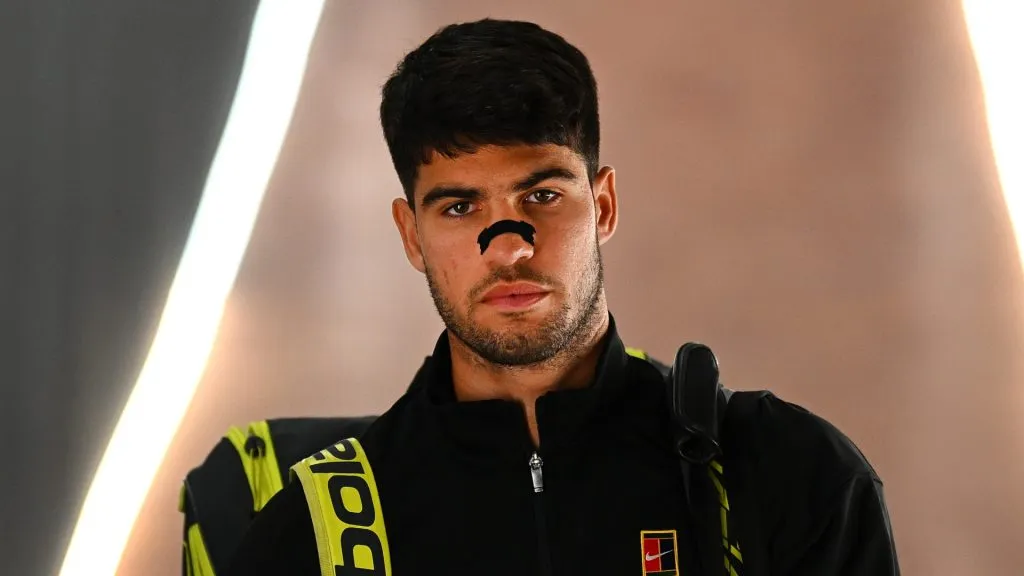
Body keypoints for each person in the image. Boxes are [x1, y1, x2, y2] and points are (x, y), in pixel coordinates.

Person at [225, 18, 899, 576]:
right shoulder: (306, 537)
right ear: (411, 235)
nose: (509, 248)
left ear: (602, 206)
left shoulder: (789, 475)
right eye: (460, 207)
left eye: (542, 196)